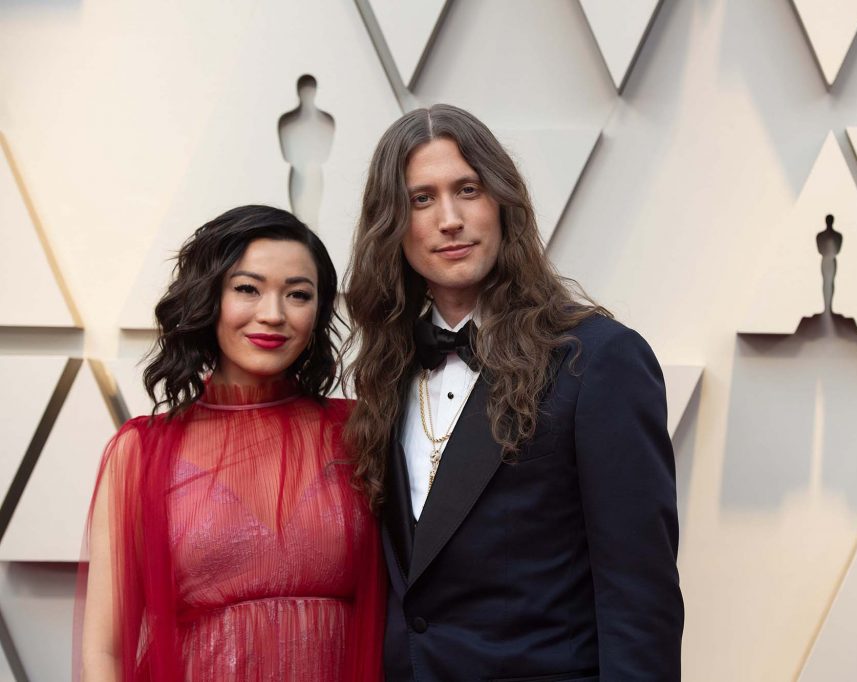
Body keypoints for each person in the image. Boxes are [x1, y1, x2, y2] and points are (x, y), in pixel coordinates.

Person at [343, 104, 684, 681]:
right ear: (393, 225)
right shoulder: (387, 368)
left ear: (503, 203)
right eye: (421, 199)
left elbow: (640, 599)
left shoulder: (599, 359)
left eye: (467, 189)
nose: (448, 219)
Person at [76, 205, 384, 681]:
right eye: (247, 289)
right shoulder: (141, 453)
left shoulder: (360, 431)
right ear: (208, 298)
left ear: (318, 312)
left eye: (298, 295)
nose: (273, 314)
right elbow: (106, 653)